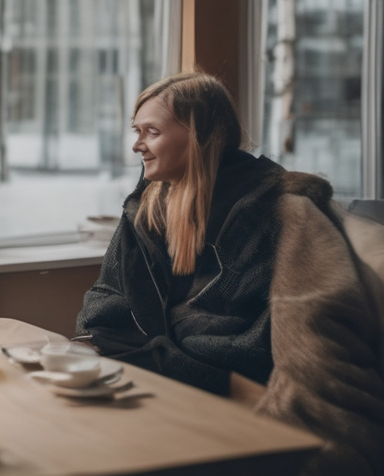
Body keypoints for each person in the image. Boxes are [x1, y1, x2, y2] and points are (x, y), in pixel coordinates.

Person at [77, 71, 384, 474]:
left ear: (206, 134)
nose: (137, 145)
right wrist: (162, 363)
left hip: (244, 404)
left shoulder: (285, 213)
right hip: (160, 388)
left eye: (151, 132)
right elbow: (101, 309)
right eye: (137, 132)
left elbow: (314, 354)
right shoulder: (144, 210)